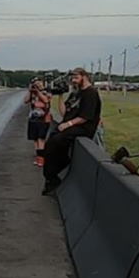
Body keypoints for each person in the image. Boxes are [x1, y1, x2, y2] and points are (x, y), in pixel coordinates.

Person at [42, 68, 101, 196]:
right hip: (72, 125)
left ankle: (54, 176)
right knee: (50, 141)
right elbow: (65, 112)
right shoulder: (77, 93)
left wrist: (68, 124)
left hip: (83, 127)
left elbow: (85, 117)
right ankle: (51, 177)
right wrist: (60, 96)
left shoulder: (91, 93)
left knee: (56, 141)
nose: (73, 80)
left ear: (83, 76)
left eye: (75, 77)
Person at [24, 79, 53, 167]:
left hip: (44, 119)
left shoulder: (47, 91)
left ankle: (42, 159)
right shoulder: (32, 92)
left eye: (38, 83)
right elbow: (25, 100)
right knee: (35, 139)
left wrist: (38, 92)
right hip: (33, 118)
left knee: (41, 139)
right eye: (35, 84)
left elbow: (46, 100)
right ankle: (38, 157)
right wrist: (30, 91)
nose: (37, 85)